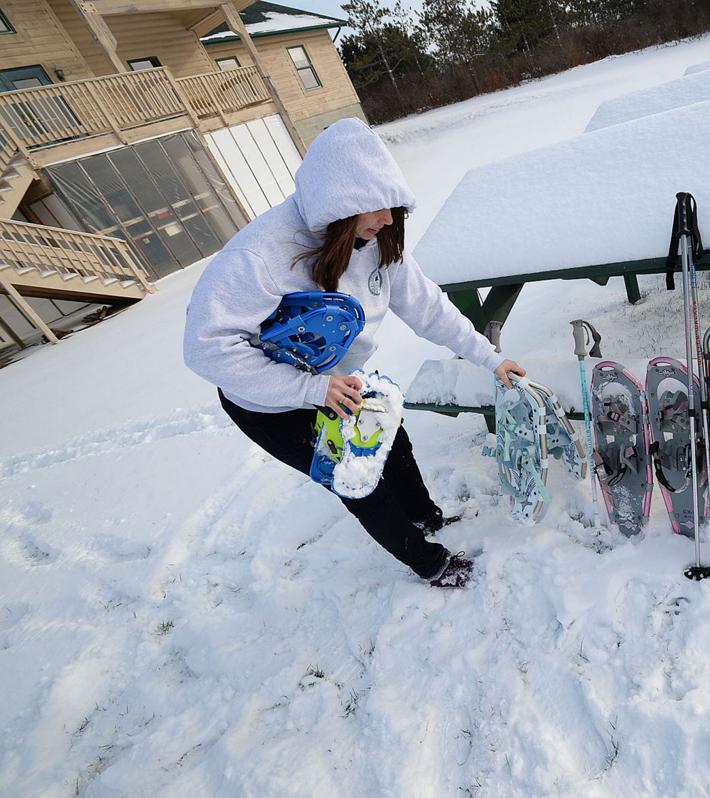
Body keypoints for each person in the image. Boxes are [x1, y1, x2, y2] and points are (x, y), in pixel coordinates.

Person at [183, 118, 523, 588]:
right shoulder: (259, 256)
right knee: (359, 480)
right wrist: (310, 389)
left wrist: (491, 358)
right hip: (271, 403)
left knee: (392, 439)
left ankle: (425, 516)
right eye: (376, 207)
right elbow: (205, 349)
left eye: (392, 205)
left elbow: (427, 307)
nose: (389, 219)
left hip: (337, 381)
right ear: (339, 203)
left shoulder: (377, 240)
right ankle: (431, 563)